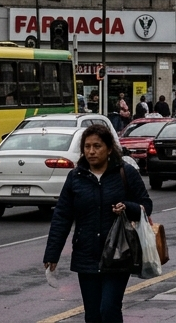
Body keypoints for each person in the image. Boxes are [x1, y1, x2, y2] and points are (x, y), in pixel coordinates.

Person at [44, 124, 152, 323]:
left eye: (97, 146)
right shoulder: (76, 177)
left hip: (119, 253)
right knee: (93, 315)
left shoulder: (125, 173)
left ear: (109, 148)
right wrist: (52, 253)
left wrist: (127, 207)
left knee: (109, 309)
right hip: (86, 254)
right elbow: (62, 216)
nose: (91, 152)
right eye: (87, 147)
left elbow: (146, 206)